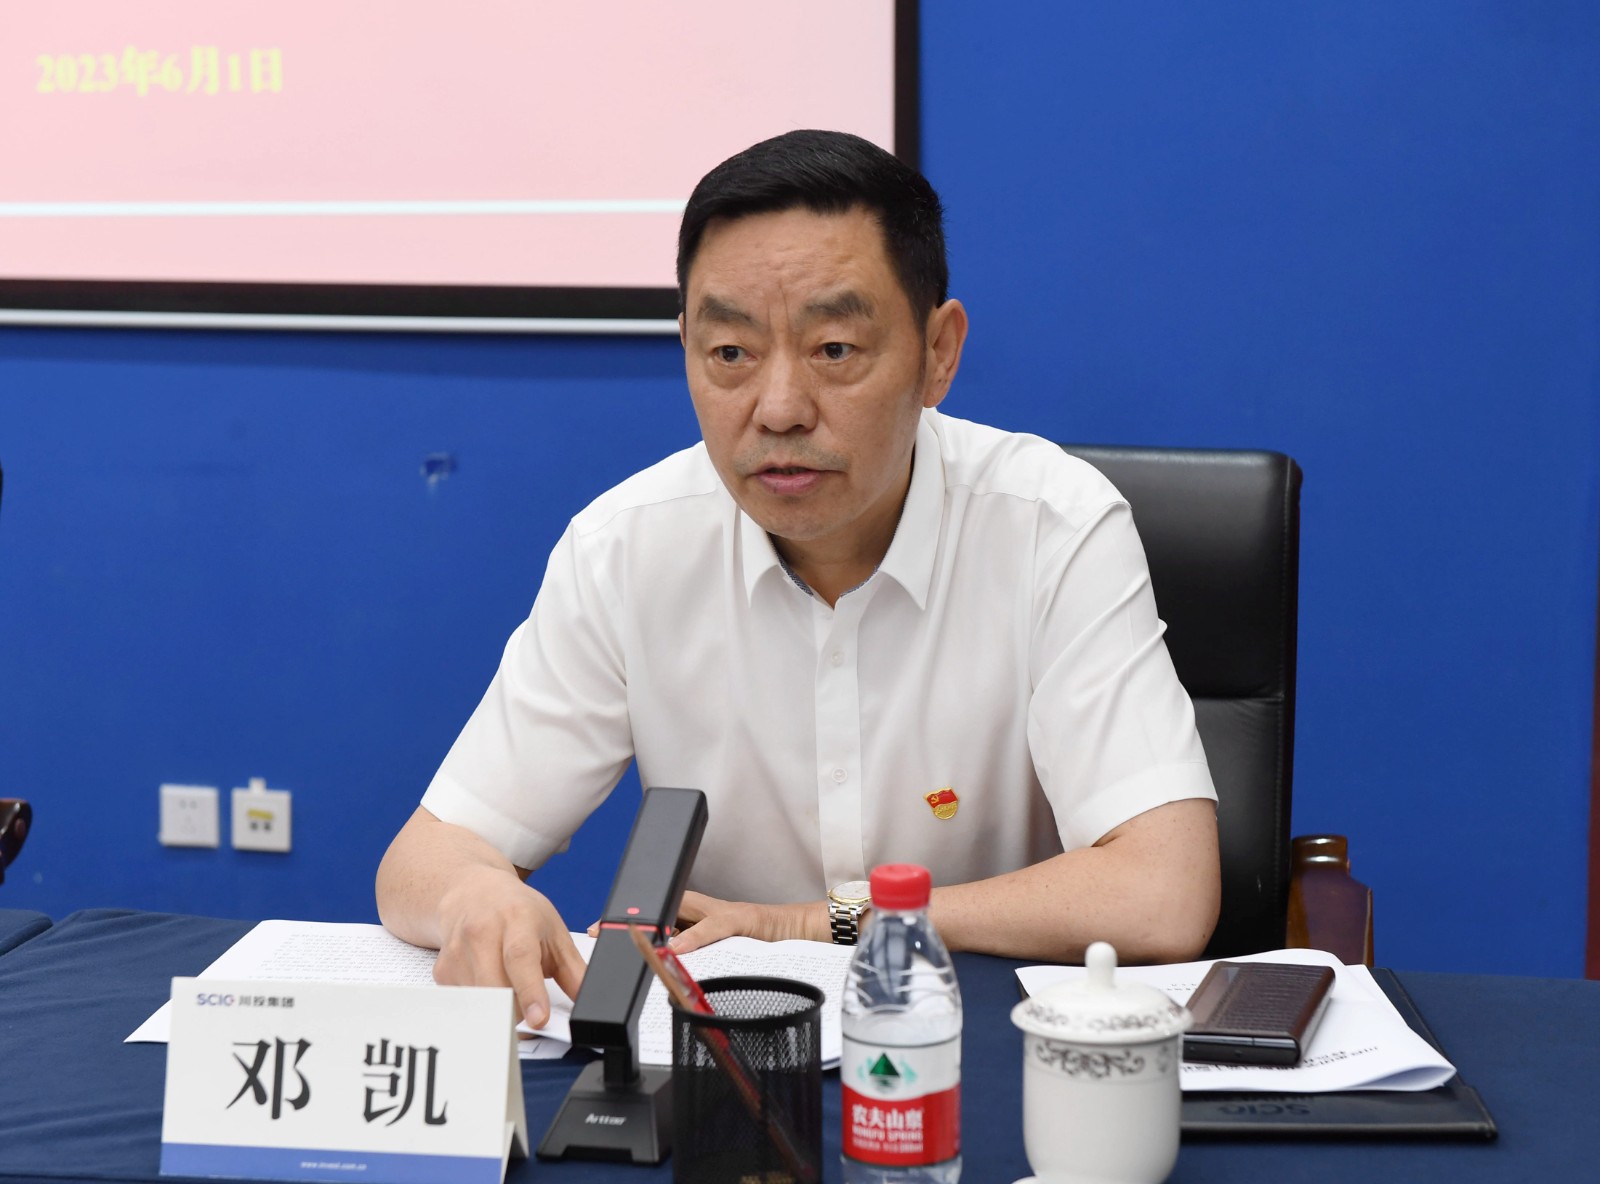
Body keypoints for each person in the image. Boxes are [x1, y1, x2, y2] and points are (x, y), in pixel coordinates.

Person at [376, 129, 1221, 1030]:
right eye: (730, 354)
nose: (778, 409)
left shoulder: (1053, 526)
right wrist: (474, 895)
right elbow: (424, 857)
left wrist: (812, 924)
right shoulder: (626, 547)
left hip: (980, 1048)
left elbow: (1161, 892)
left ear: (938, 352)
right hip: (729, 1058)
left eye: (834, 350)